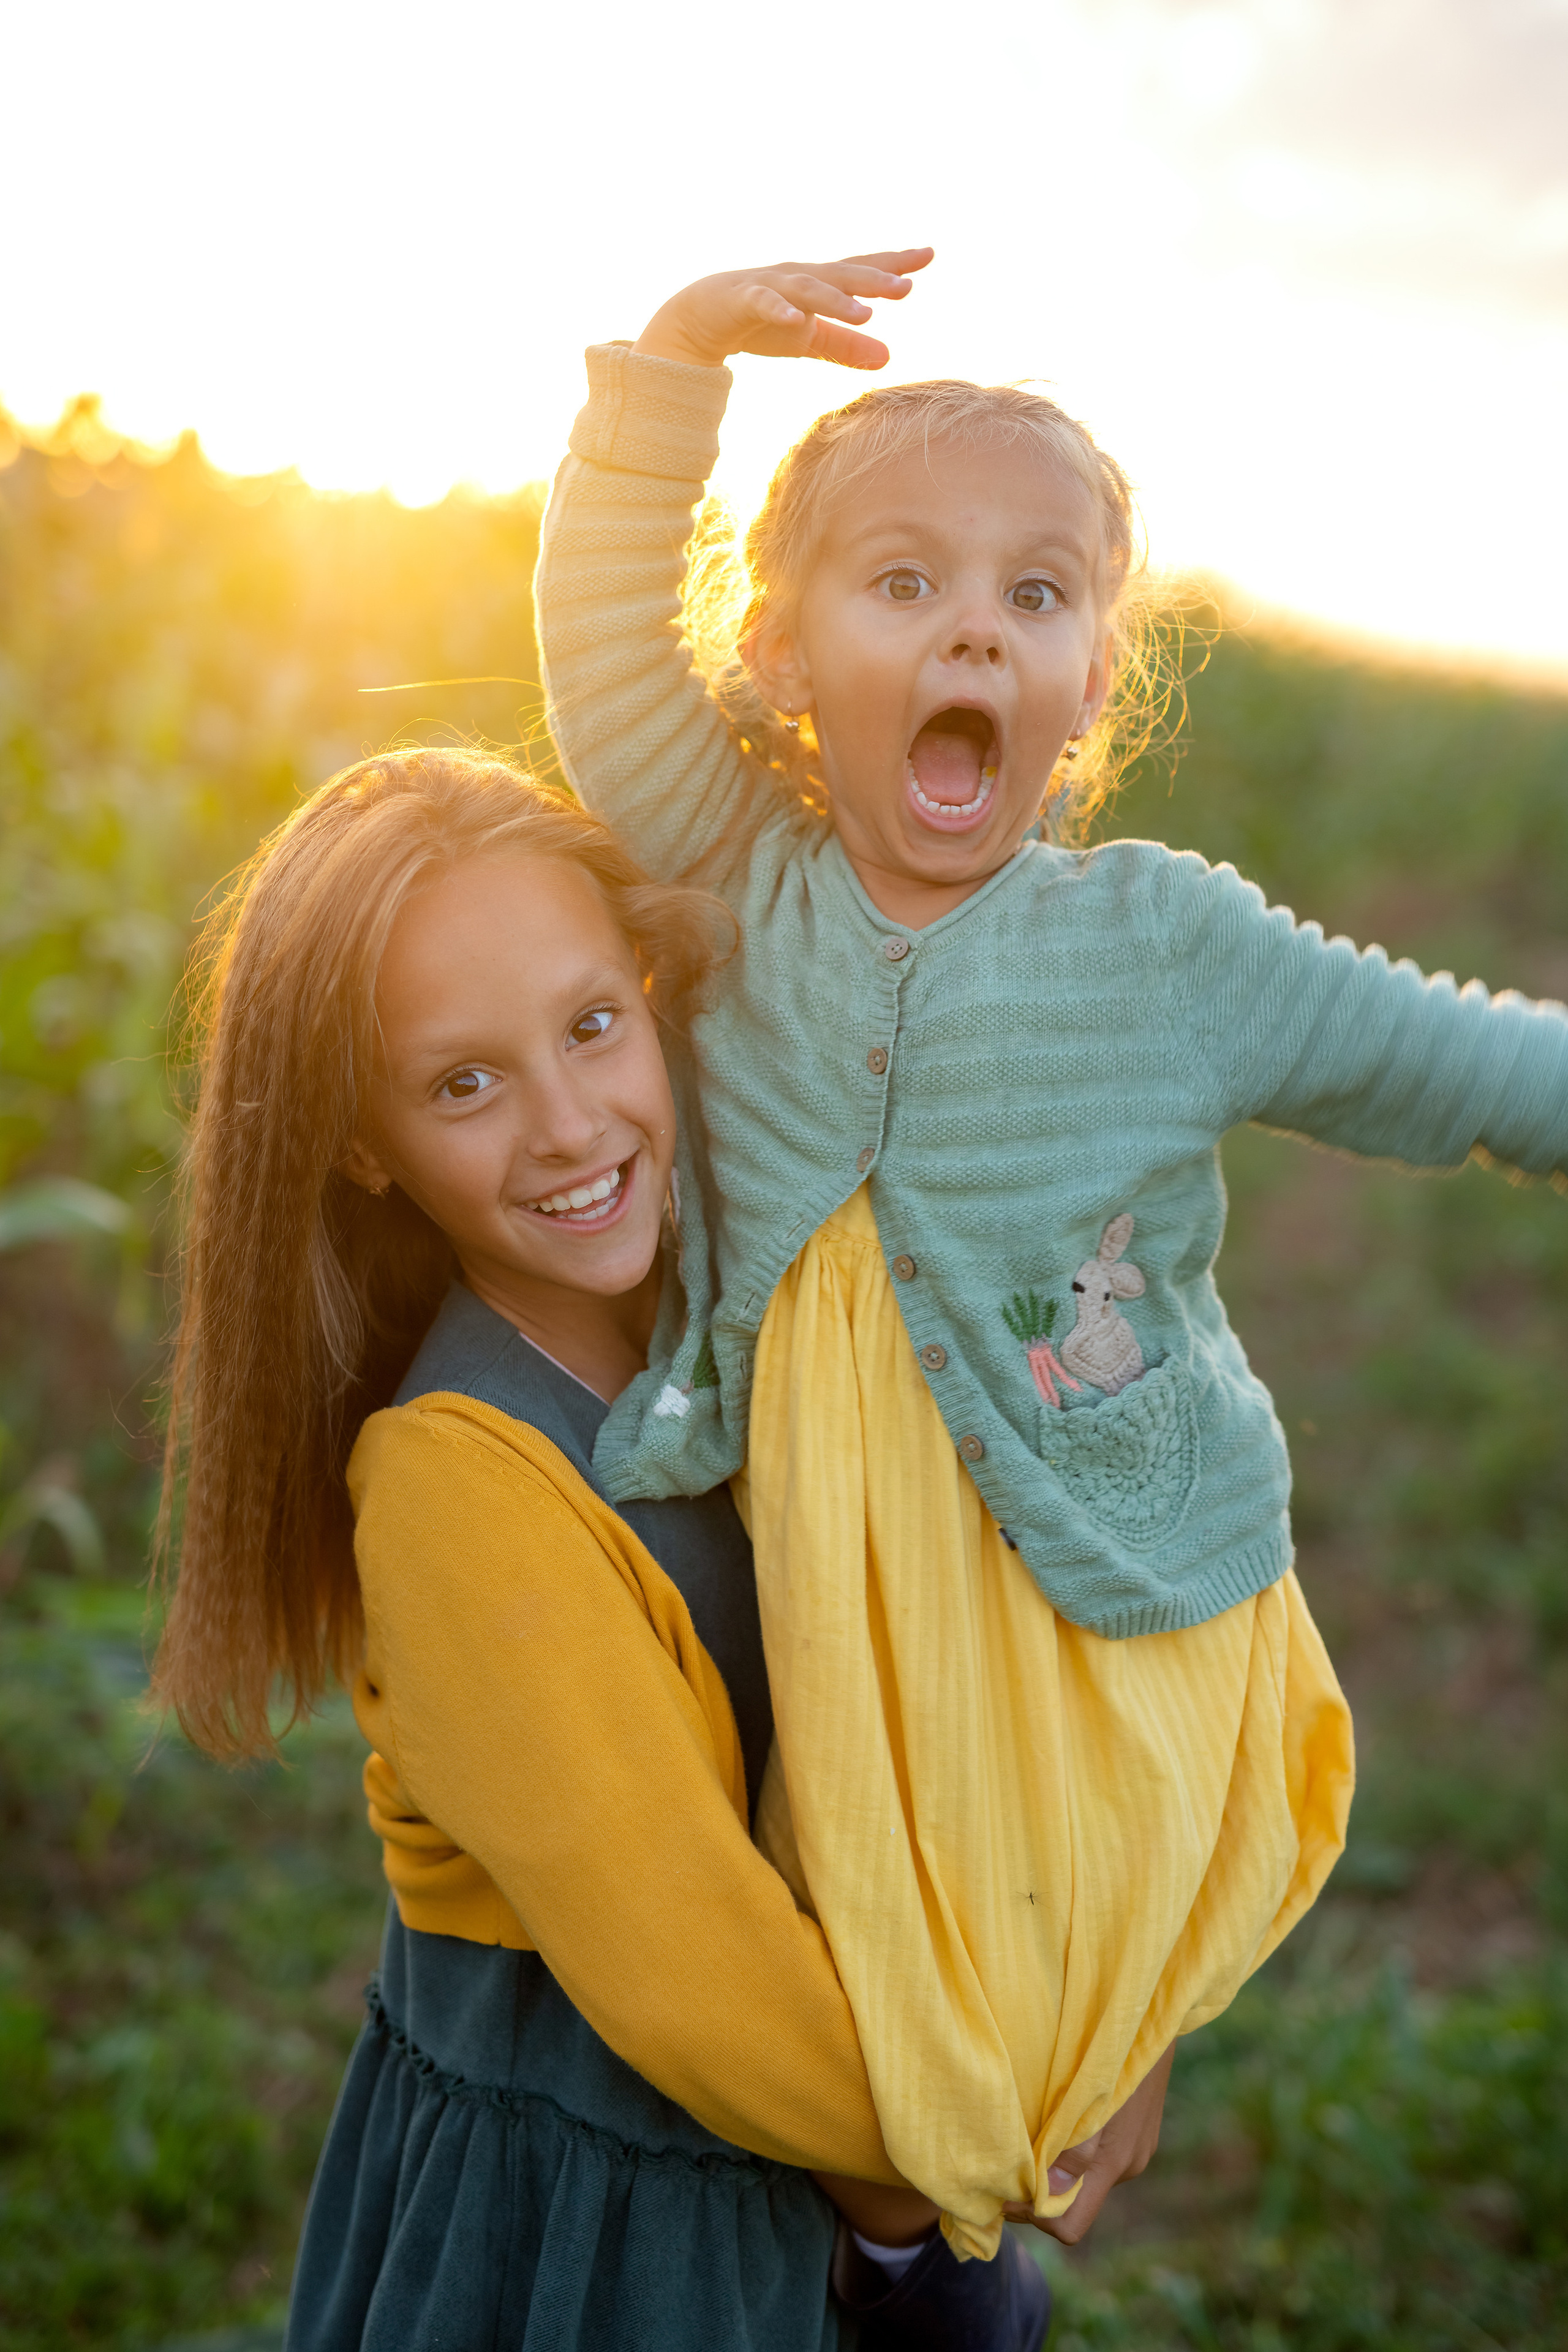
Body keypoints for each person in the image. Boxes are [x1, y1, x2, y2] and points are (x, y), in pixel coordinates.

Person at [532, 247, 1568, 2262]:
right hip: (838, 1606)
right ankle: (911, 2262)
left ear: (1096, 673)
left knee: (1033, 2054)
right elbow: (594, 654)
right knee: (859, 2065)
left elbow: (1461, 1064)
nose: (974, 635)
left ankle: (981, 2232)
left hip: (1087, 1590)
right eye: (902, 582)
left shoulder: (1166, 947)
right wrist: (670, 377)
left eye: (1036, 594)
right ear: (782, 653)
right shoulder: (737, 870)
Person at [149, 746, 1055, 2351]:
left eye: (591, 1026)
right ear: (366, 1146)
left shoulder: (763, 1321)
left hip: (838, 2170)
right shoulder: (457, 1490)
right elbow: (715, 1999)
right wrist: (1012, 2142)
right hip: (603, 2240)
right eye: (463, 1083)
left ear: (655, 996)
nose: (571, 1128)